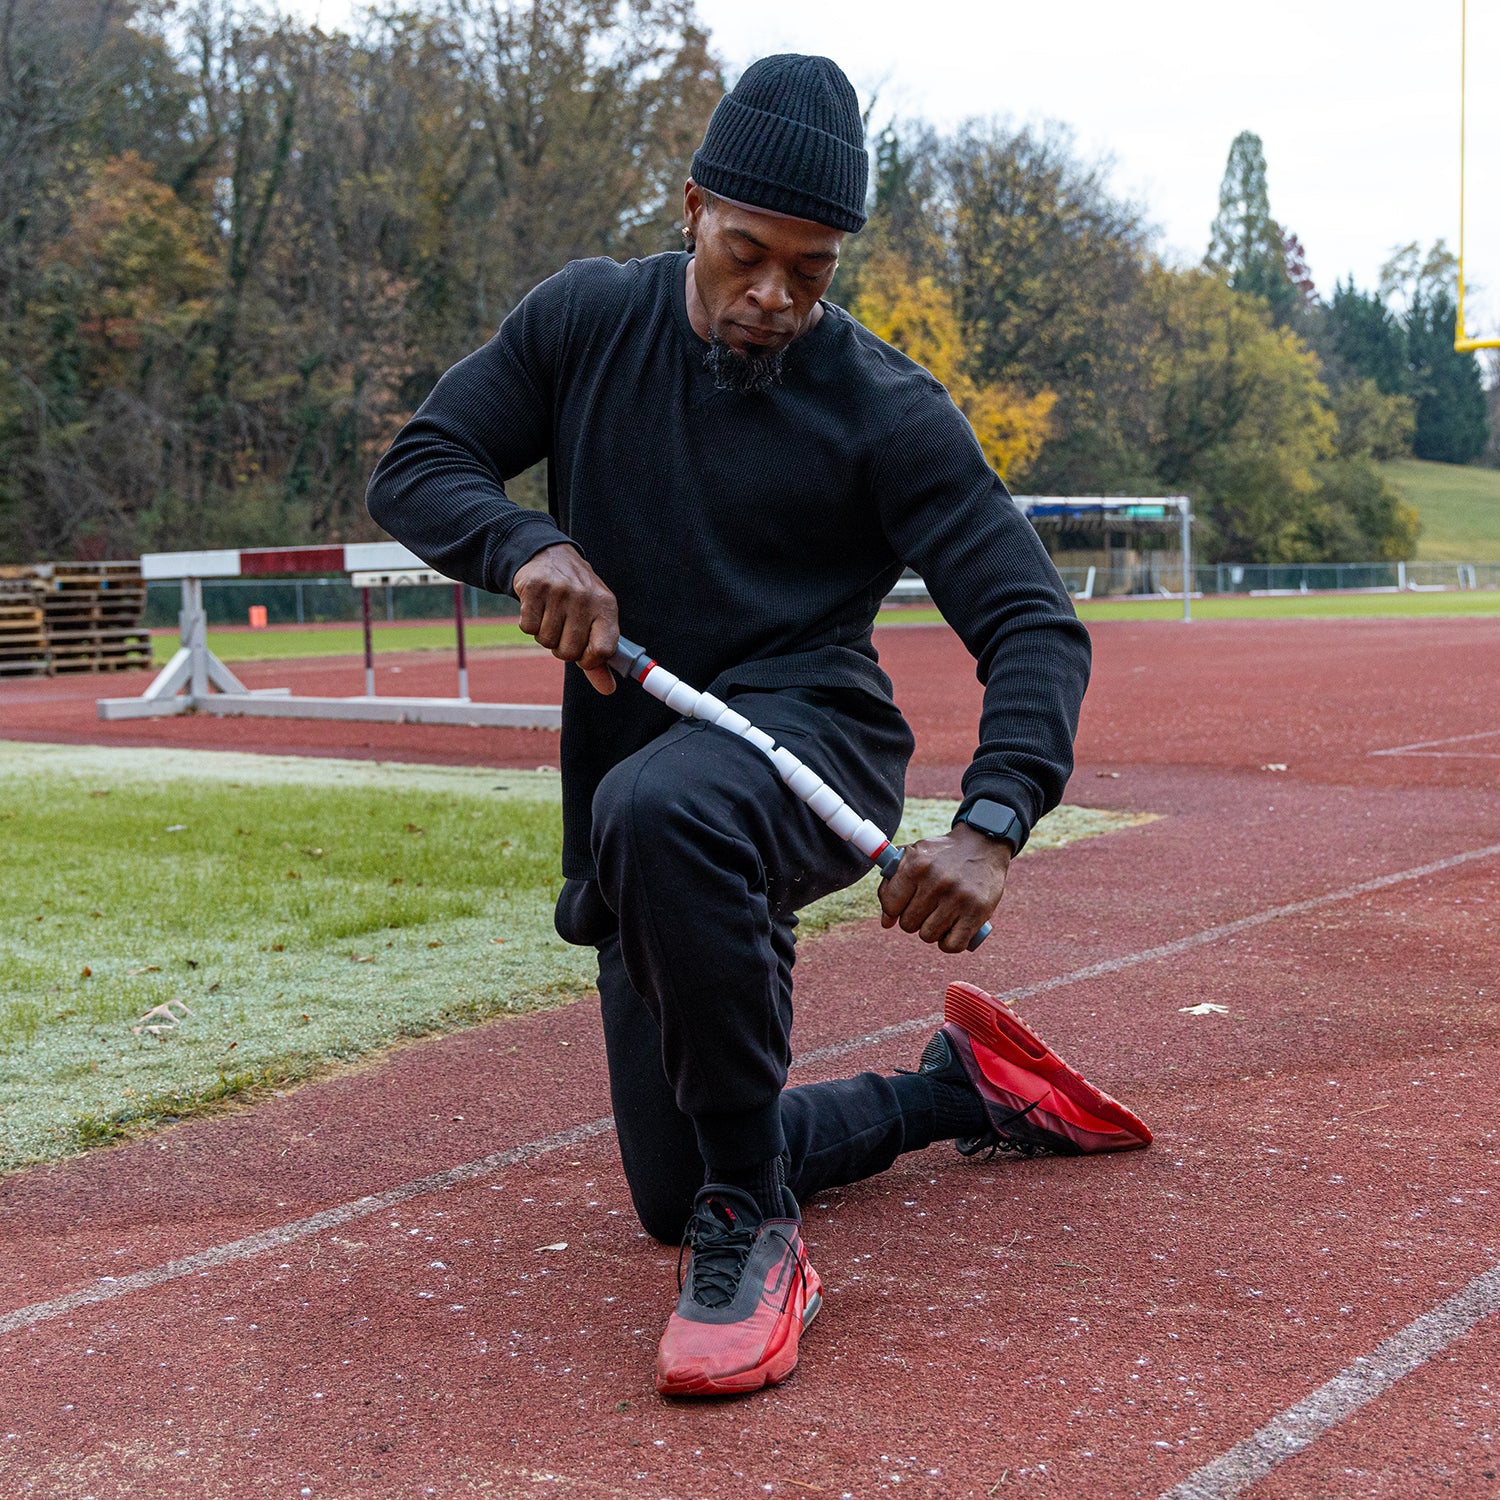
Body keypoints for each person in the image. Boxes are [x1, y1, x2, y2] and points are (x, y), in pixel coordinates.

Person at [367, 53, 1105, 1398]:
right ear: (693, 207)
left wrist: (995, 819)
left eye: (810, 272)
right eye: (746, 254)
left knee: (666, 825)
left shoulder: (884, 409)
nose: (772, 296)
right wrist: (526, 542)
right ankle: (958, 1091)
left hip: (809, 746)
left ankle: (760, 1234)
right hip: (644, 790)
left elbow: (1034, 625)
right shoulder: (586, 320)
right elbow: (420, 466)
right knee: (673, 1179)